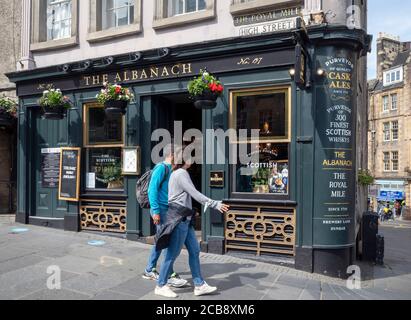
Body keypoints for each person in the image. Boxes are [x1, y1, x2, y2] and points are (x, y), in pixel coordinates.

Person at [154, 153, 230, 298]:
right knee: (172, 254)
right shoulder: (181, 173)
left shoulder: (177, 173)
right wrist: (215, 204)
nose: (193, 160)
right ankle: (161, 285)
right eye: (190, 157)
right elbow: (194, 193)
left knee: (194, 251)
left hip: (185, 219)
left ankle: (199, 284)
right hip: (179, 219)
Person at [142, 144, 187, 288]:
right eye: (180, 154)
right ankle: (166, 273)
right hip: (161, 210)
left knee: (162, 240)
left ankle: (151, 269)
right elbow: (152, 190)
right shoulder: (161, 168)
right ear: (172, 154)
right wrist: (155, 211)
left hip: (168, 210)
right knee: (164, 240)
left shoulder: (172, 169)